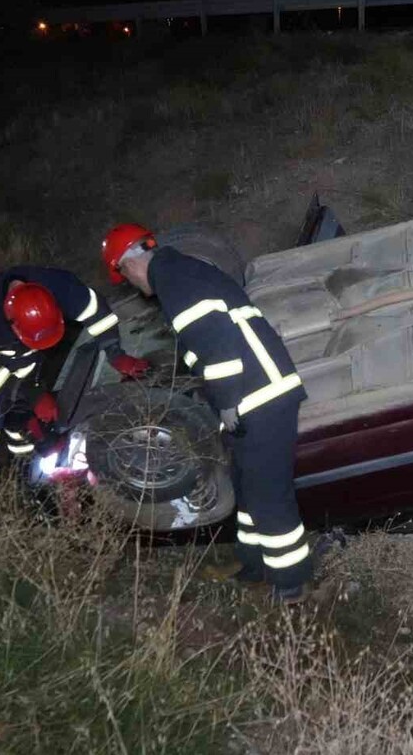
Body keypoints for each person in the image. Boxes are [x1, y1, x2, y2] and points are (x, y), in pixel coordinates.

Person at [101, 223, 312, 603]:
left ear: (129, 265)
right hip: (256, 393)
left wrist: (228, 402)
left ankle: (290, 581)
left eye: (125, 276)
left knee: (268, 495)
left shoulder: (174, 278)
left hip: (259, 396)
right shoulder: (180, 271)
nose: (131, 285)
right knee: (248, 488)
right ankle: (253, 562)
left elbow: (217, 341)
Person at [0, 265, 149, 494]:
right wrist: (34, 395)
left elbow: (97, 313)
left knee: (25, 395)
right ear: (12, 325)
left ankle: (28, 466)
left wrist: (116, 354)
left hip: (16, 340)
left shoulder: (62, 287)